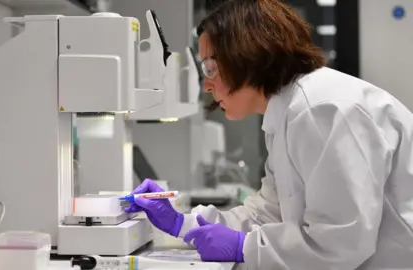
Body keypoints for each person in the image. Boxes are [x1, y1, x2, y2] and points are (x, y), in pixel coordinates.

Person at [125, 0, 413, 268]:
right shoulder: (287, 114)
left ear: (248, 54)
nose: (207, 86)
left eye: (210, 68)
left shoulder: (323, 109)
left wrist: (244, 247)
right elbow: (266, 214)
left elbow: (341, 242)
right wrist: (182, 223)